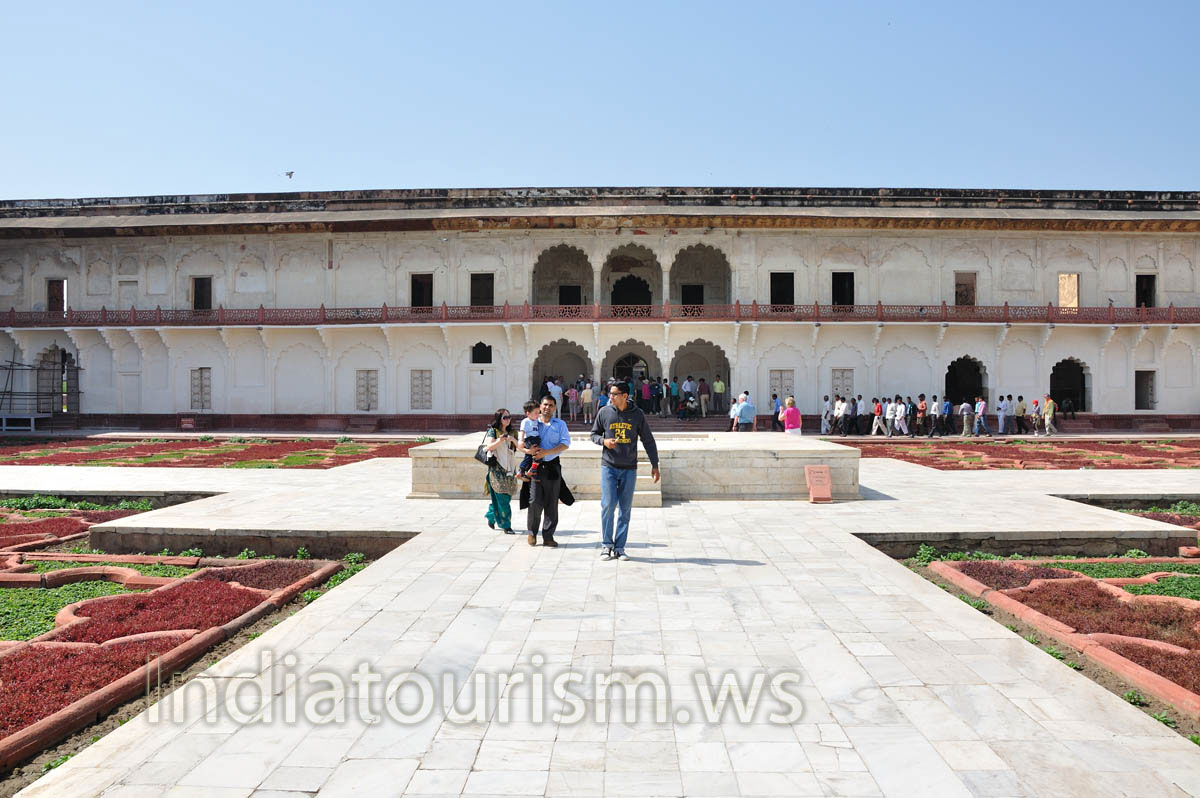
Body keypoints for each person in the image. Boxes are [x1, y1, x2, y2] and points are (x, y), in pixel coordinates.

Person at [592, 381, 660, 561]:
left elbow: (648, 440)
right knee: (608, 505)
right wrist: (604, 442)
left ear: (625, 396)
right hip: (609, 466)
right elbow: (594, 434)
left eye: (614, 394)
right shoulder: (604, 412)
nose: (610, 397)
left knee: (625, 509)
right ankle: (606, 545)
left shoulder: (637, 415)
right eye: (610, 393)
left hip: (629, 468)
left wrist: (655, 465)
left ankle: (620, 547)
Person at [524, 395, 571, 547]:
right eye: (545, 404)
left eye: (551, 405)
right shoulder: (531, 422)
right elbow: (521, 442)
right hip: (535, 468)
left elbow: (565, 444)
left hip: (552, 467)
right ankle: (532, 533)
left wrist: (547, 452)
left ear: (555, 408)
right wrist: (528, 450)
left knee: (552, 502)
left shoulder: (560, 424)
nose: (547, 408)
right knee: (535, 501)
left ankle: (548, 536)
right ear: (540, 406)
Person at [483, 408, 519, 533]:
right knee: (502, 497)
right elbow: (488, 447)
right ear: (499, 419)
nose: (508, 420)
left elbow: (519, 447)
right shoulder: (493, 432)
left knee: (506, 496)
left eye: (509, 417)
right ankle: (506, 525)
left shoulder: (513, 432)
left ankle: (491, 515)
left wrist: (512, 439)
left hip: (510, 468)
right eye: (505, 417)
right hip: (497, 468)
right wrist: (501, 440)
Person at [515, 400, 541, 482]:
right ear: (528, 413)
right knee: (536, 454)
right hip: (530, 439)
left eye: (538, 412)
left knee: (529, 456)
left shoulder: (537, 420)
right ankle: (531, 470)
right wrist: (521, 441)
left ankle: (522, 470)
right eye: (535, 413)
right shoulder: (526, 421)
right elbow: (522, 431)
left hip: (536, 439)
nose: (538, 414)